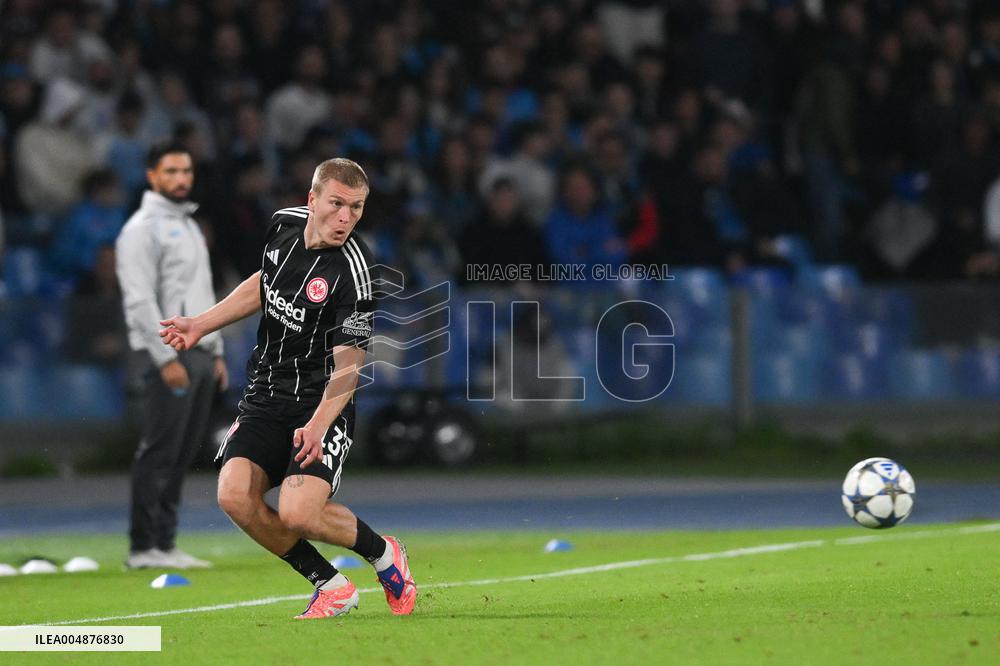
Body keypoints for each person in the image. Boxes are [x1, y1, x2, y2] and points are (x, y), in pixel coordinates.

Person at [158, 158, 416, 620]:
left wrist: (319, 425)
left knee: (299, 513)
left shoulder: (355, 272)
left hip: (320, 404)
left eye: (356, 208)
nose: (345, 218)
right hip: (265, 395)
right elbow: (264, 284)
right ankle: (331, 585)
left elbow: (350, 365)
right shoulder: (282, 225)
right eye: (336, 204)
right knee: (234, 496)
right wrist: (200, 323)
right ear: (312, 199)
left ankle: (384, 555)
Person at [115, 141, 228, 570]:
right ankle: (144, 547)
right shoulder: (141, 229)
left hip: (196, 351)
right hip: (167, 355)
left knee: (181, 452)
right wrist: (165, 360)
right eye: (172, 171)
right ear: (152, 176)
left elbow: (200, 296)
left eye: (186, 170)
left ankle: (165, 542)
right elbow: (140, 302)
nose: (182, 179)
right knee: (159, 449)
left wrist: (214, 349)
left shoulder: (188, 225)